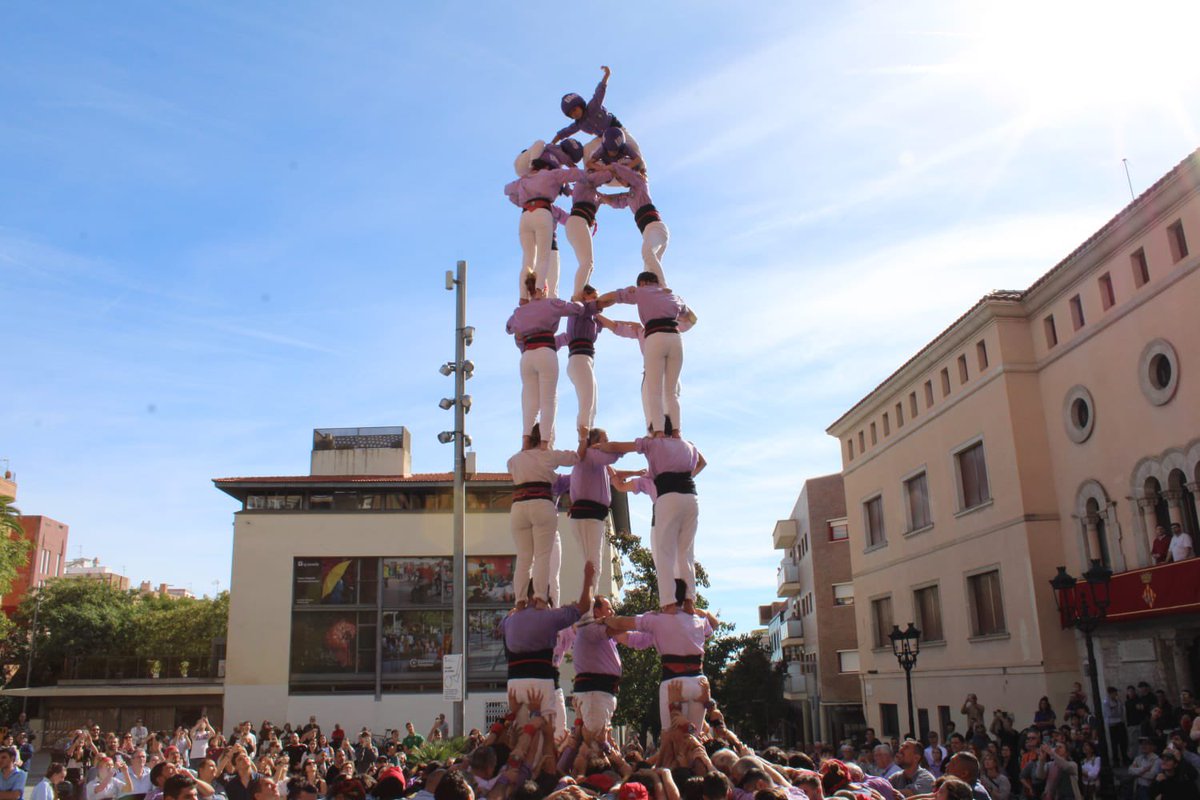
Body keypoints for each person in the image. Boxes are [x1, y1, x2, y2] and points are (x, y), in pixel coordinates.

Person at [594, 432, 706, 611]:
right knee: (685, 556)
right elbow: (702, 462)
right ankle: (687, 601)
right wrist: (684, 444)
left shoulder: (648, 478)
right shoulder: (677, 474)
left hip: (662, 516)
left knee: (664, 560)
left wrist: (607, 465)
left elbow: (620, 486)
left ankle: (670, 604)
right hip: (685, 503)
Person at [499, 561, 596, 733]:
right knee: (548, 734)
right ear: (540, 594)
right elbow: (583, 606)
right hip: (540, 679)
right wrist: (589, 577)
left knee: (519, 732)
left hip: (514, 683)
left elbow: (502, 627)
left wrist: (518, 607)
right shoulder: (548, 617)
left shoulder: (509, 620)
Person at [597, 271, 697, 436]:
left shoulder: (641, 292)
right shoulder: (674, 297)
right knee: (671, 392)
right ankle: (677, 431)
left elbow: (612, 297)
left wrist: (596, 304)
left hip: (655, 338)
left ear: (642, 283)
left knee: (654, 391)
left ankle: (658, 431)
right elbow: (693, 319)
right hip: (675, 338)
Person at [602, 592, 715, 731]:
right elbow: (713, 625)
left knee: (671, 736)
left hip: (674, 682)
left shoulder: (656, 620)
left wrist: (604, 620)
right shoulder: (697, 619)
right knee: (694, 737)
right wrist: (701, 612)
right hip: (699, 683)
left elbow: (622, 623)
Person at [505, 275, 589, 446]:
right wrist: (579, 301)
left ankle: (525, 442)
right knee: (548, 400)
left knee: (529, 402)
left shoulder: (519, 311)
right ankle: (544, 444)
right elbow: (577, 309)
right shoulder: (551, 303)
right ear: (543, 288)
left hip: (527, 356)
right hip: (545, 352)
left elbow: (509, 328)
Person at [506, 423, 580, 605]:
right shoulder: (547, 455)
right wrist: (584, 441)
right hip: (541, 504)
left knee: (523, 558)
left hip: (519, 506)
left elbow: (511, 466)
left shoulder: (515, 459)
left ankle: (520, 600)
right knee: (542, 556)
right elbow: (575, 458)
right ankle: (540, 598)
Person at [503, 159, 576, 300]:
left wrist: (521, 201)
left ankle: (523, 297)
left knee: (528, 261)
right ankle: (538, 292)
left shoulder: (525, 181)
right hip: (547, 236)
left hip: (526, 215)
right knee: (546, 266)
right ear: (547, 166)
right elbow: (569, 220)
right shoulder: (550, 201)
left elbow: (507, 190)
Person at [564, 429, 621, 591]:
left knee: (590, 562)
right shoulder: (591, 453)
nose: (607, 443)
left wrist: (636, 473)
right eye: (605, 440)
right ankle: (588, 607)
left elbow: (614, 473)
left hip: (588, 515)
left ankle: (588, 602)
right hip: (590, 514)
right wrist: (623, 448)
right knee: (594, 563)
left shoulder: (597, 464)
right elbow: (612, 455)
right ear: (595, 442)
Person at [553, 66, 643, 166]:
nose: (574, 114)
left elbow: (600, 91)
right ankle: (589, 176)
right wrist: (551, 144)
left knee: (632, 145)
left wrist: (606, 75)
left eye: (575, 110)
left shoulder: (593, 106)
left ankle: (641, 169)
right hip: (604, 138)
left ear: (581, 106)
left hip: (616, 130)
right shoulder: (579, 124)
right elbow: (564, 133)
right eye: (571, 114)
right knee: (587, 149)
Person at [598, 162, 668, 284]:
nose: (620, 181)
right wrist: (598, 195)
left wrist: (606, 168)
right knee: (649, 269)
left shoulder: (640, 182)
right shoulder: (630, 196)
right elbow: (614, 202)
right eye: (618, 179)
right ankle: (655, 292)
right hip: (648, 232)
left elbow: (625, 172)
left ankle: (663, 286)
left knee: (647, 253)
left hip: (656, 228)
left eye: (620, 178)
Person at [555, 286, 605, 439]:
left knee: (593, 404)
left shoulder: (592, 318)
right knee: (587, 402)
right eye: (594, 296)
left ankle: (589, 436)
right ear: (584, 296)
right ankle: (583, 439)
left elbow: (608, 323)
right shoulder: (579, 309)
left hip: (586, 360)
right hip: (579, 359)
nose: (596, 300)